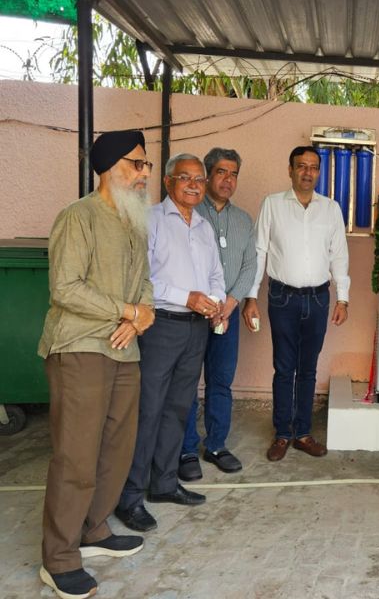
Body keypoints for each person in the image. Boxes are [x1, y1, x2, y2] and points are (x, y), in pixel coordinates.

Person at [37, 130, 156, 599]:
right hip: (81, 347)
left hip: (124, 349)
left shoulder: (134, 222)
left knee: (117, 449)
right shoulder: (78, 217)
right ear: (110, 168)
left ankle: (93, 528)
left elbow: (144, 282)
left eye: (146, 166)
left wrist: (140, 317)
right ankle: (59, 558)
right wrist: (126, 311)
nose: (145, 173)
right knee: (77, 456)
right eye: (137, 164)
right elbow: (65, 287)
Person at [116, 153, 226, 532]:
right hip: (160, 325)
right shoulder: (150, 220)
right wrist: (187, 297)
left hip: (196, 328)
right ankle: (129, 497)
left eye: (199, 178)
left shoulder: (204, 226)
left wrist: (214, 301)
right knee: (147, 409)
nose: (194, 184)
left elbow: (215, 273)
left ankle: (163, 484)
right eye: (185, 178)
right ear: (168, 182)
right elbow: (141, 279)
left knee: (179, 407)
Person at [242, 146, 350, 461]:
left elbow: (339, 255)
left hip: (318, 298)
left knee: (308, 368)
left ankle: (302, 432)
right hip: (282, 297)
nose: (307, 172)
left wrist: (343, 298)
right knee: (283, 367)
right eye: (300, 166)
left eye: (313, 167)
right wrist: (251, 296)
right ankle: (282, 434)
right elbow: (259, 251)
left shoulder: (331, 209)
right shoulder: (272, 205)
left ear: (319, 172)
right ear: (289, 170)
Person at [178, 148, 256, 481]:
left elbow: (250, 264)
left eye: (234, 173)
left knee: (221, 381)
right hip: (193, 315)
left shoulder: (243, 220)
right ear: (208, 175)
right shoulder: (192, 214)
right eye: (222, 172)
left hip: (228, 315)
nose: (228, 180)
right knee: (186, 382)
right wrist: (208, 304)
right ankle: (184, 449)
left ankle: (216, 445)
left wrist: (231, 302)